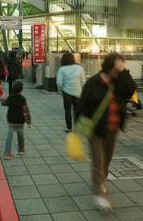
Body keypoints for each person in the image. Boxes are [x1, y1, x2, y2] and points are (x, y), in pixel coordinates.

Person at [78, 53, 136, 213]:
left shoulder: (119, 82)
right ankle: (99, 196)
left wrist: (124, 71)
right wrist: (81, 122)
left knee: (107, 160)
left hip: (113, 128)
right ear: (110, 65)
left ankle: (99, 181)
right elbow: (82, 103)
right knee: (98, 160)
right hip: (96, 128)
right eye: (118, 66)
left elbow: (130, 90)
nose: (119, 69)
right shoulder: (93, 82)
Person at [56, 52, 86, 132]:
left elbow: (59, 82)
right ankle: (78, 127)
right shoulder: (79, 68)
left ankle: (69, 127)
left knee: (67, 110)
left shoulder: (62, 69)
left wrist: (60, 90)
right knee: (77, 110)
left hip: (66, 92)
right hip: (78, 92)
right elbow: (83, 81)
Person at [2, 81, 31, 160]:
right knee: (20, 135)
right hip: (20, 121)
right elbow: (26, 111)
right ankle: (21, 150)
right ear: (21, 90)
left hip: (11, 120)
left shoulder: (10, 98)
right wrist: (28, 122)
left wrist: (2, 98)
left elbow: (3, 103)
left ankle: (7, 153)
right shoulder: (22, 99)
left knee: (9, 137)